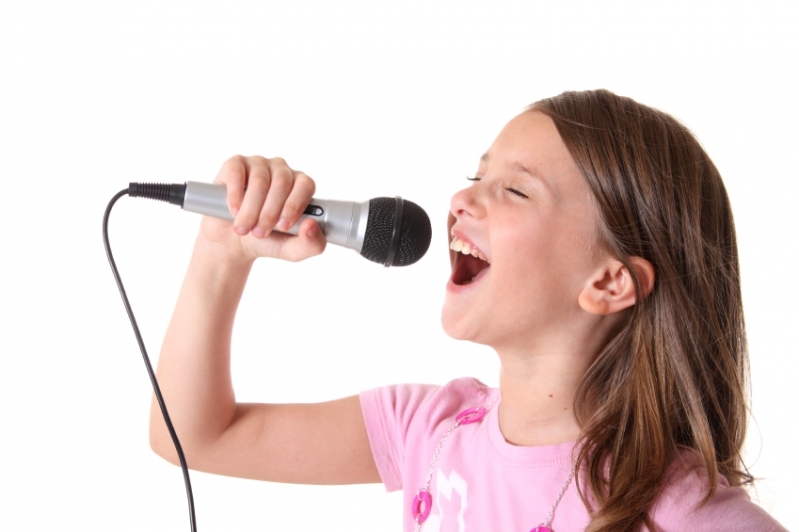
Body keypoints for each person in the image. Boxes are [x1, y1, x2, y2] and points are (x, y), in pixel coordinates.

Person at [149, 89, 787, 531]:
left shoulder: (677, 512)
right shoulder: (428, 431)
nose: (460, 199)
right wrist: (221, 253)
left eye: (513, 189)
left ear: (610, 281)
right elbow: (194, 436)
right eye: (474, 175)